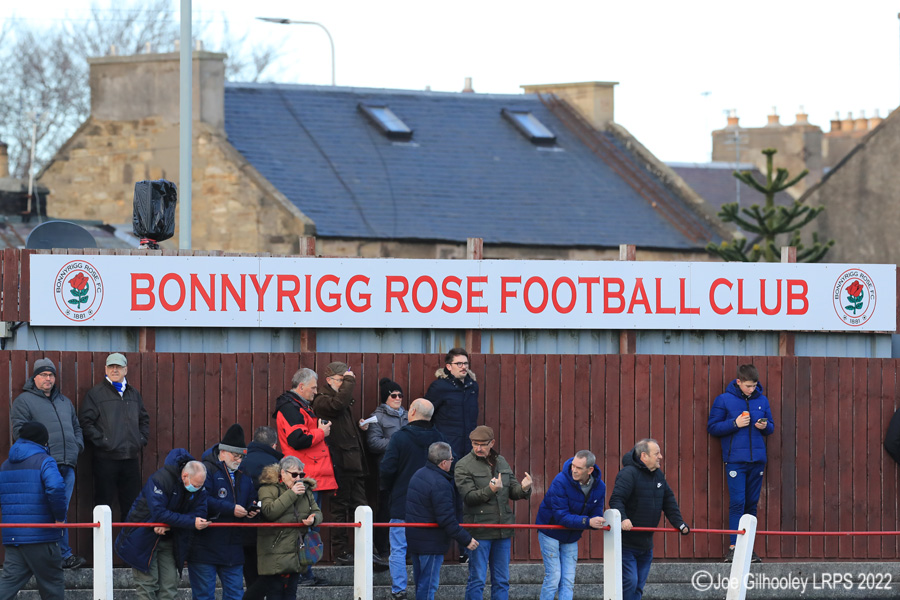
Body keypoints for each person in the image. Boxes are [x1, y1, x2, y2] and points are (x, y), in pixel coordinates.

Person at [11, 357, 86, 569]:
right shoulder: (23, 401)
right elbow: (19, 433)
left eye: (51, 375)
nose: (48, 379)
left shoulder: (65, 402)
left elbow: (77, 427)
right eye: (43, 375)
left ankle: (63, 556)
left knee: (59, 511)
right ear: (34, 377)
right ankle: (50, 557)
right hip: (41, 466)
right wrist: (40, 455)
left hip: (67, 464)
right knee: (42, 510)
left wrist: (76, 446)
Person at [313, 361, 384, 567]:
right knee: (339, 508)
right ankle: (341, 552)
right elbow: (337, 405)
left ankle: (368, 551)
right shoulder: (322, 401)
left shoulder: (337, 401)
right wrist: (351, 379)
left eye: (346, 380)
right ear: (329, 380)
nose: (346, 384)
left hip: (352, 465)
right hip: (339, 465)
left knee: (362, 507)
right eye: (341, 380)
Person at [115, 449, 210, 600]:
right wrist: (189, 522)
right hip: (142, 537)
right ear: (185, 476)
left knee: (169, 586)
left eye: (201, 485)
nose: (198, 489)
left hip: (169, 539)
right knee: (147, 586)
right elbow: (159, 513)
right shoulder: (160, 479)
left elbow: (201, 513)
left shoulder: (198, 484)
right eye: (196, 485)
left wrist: (169, 524)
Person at [273, 367, 335, 585]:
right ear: (301, 387)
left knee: (308, 526)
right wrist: (321, 432)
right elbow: (297, 439)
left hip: (308, 474)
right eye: (313, 387)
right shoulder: (291, 408)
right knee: (305, 527)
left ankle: (304, 574)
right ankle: (302, 575)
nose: (315, 392)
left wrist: (316, 428)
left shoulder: (297, 407)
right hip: (304, 476)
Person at [455, 426, 532, 600]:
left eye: (483, 444)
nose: (478, 448)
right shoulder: (463, 465)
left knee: (502, 580)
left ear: (492, 443)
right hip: (479, 531)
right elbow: (468, 497)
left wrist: (524, 488)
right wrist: (490, 490)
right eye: (475, 444)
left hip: (503, 529)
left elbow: (513, 490)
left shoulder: (501, 461)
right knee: (477, 580)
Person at [707, 363, 774, 563]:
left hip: (758, 461)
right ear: (738, 382)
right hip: (735, 461)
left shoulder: (762, 400)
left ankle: (748, 550)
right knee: (738, 503)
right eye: (748, 386)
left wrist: (764, 425)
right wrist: (734, 424)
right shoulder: (724, 400)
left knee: (751, 505)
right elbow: (713, 427)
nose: (751, 389)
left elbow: (770, 428)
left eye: (754, 386)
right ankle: (734, 548)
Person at [379, 398, 445, 600]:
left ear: (413, 412)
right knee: (426, 550)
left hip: (402, 502)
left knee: (398, 548)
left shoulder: (400, 438)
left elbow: (387, 469)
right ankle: (425, 592)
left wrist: (389, 490)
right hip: (431, 507)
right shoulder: (440, 439)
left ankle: (399, 589)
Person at [609, 439, 690, 600]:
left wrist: (680, 524)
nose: (660, 456)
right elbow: (616, 500)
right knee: (630, 583)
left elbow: (669, 502)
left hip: (646, 545)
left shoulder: (658, 475)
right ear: (644, 456)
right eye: (656, 453)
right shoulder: (628, 474)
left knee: (638, 586)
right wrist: (623, 519)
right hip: (626, 545)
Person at [188, 425, 259, 600]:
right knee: (204, 595)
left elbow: (252, 496)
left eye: (242, 456)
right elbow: (202, 499)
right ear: (223, 452)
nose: (239, 460)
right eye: (236, 455)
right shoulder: (206, 470)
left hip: (233, 546)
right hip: (205, 545)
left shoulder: (245, 474)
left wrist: (252, 508)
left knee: (235, 595)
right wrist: (231, 509)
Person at [79, 352, 151, 520]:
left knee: (132, 506)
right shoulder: (96, 394)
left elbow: (144, 419)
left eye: (118, 367)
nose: (114, 370)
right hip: (106, 460)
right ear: (105, 369)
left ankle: (129, 546)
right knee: (103, 506)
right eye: (111, 367)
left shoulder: (133, 394)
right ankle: (98, 546)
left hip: (130, 459)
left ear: (125, 370)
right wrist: (105, 442)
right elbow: (85, 422)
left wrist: (140, 440)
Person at [0, 422, 67, 600]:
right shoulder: (45, 460)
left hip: (13, 536)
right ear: (43, 441)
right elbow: (56, 487)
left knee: (6, 586)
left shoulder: (6, 464)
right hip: (41, 536)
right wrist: (60, 518)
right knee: (52, 584)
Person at [405, 442, 478, 600]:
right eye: (451, 459)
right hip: (431, 543)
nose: (453, 462)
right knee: (429, 585)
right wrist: (466, 539)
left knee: (421, 583)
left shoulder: (418, 474)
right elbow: (446, 519)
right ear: (444, 463)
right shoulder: (440, 483)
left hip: (416, 540)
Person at [243, 456, 323, 600]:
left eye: (301, 475)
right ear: (283, 473)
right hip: (275, 550)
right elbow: (269, 512)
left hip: (296, 550)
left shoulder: (306, 490)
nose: (298, 478)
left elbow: (317, 511)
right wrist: (291, 494)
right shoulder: (268, 488)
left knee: (291, 593)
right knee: (275, 593)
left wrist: (313, 519)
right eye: (294, 474)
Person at [534, 450, 607, 600]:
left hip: (572, 535)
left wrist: (596, 521)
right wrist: (588, 522)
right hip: (550, 531)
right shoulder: (560, 481)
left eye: (579, 468)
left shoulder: (600, 487)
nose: (573, 470)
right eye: (573, 465)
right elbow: (561, 517)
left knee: (568, 580)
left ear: (590, 470)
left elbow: (596, 512)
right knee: (554, 577)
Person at [366, 377, 409, 561]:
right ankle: (383, 549)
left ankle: (404, 549)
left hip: (407, 469)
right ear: (386, 398)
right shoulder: (377, 417)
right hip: (387, 469)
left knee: (406, 509)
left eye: (400, 395)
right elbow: (373, 443)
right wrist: (397, 443)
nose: (398, 398)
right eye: (394, 395)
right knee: (386, 508)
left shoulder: (408, 415)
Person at [240, 426, 283, 589]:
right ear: (274, 445)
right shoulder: (277, 464)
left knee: (250, 577)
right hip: (269, 529)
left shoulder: (240, 461)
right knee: (268, 579)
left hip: (243, 526)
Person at [426, 348, 479, 465]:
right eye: (459, 363)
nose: (463, 366)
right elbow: (426, 415)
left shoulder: (473, 387)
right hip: (447, 446)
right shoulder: (439, 387)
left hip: (469, 445)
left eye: (465, 363)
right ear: (449, 367)